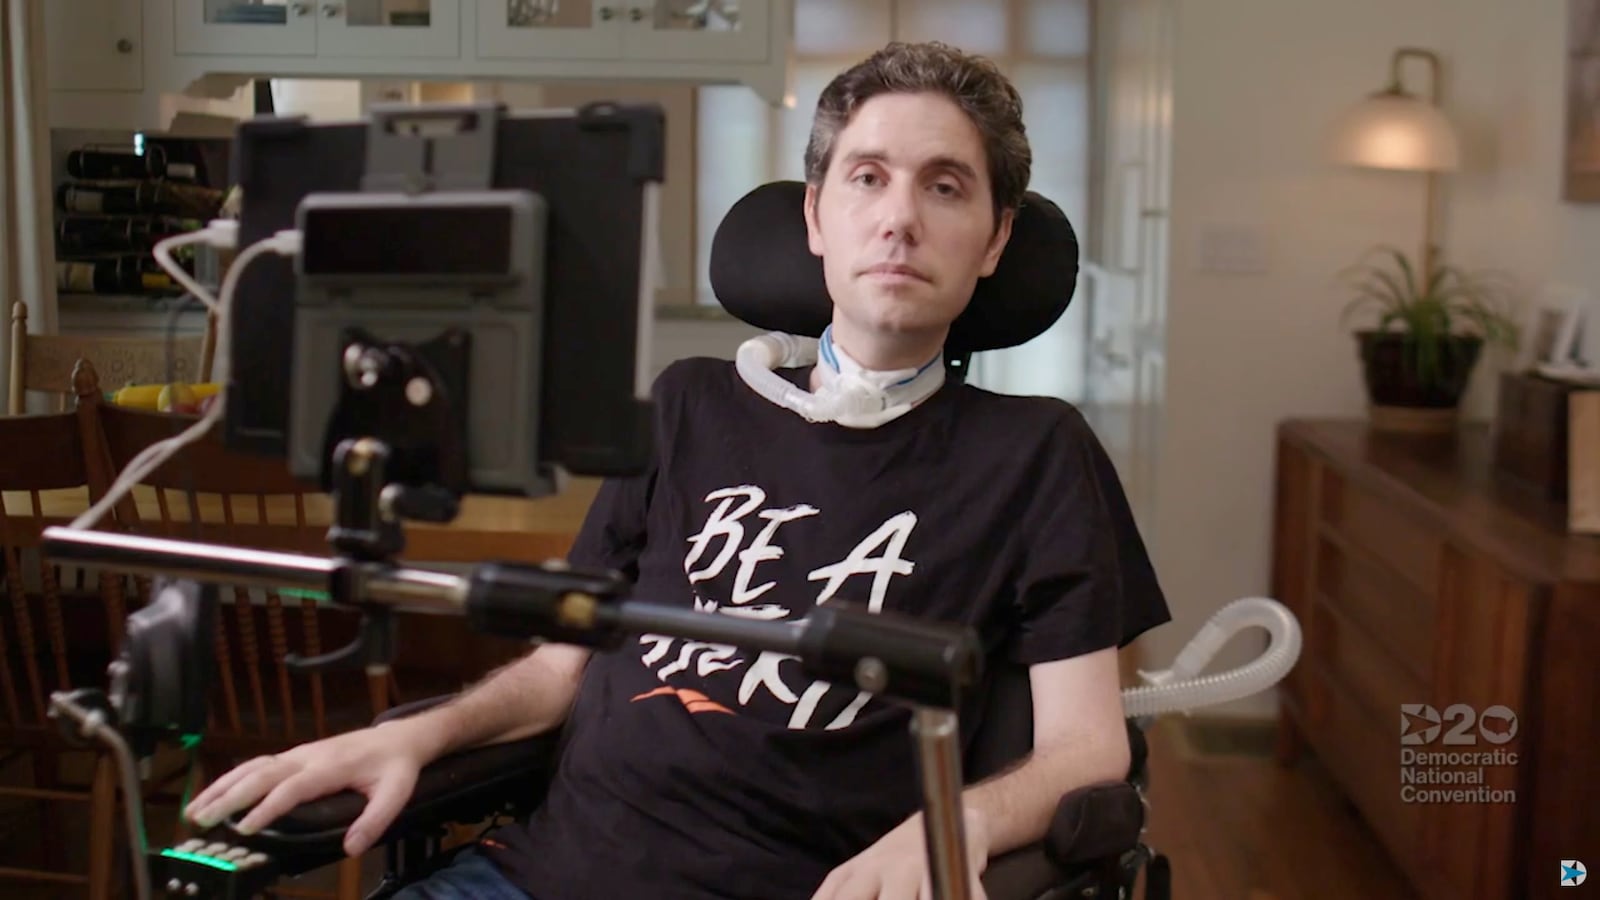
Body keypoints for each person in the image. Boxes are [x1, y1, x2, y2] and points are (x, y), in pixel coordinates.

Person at [185, 40, 1171, 900]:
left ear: (996, 238)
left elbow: (1089, 748)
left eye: (945, 185)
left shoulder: (1037, 453)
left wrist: (950, 829)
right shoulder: (690, 404)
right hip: (536, 876)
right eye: (866, 177)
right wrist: (419, 735)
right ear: (815, 219)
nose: (899, 218)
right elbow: (559, 664)